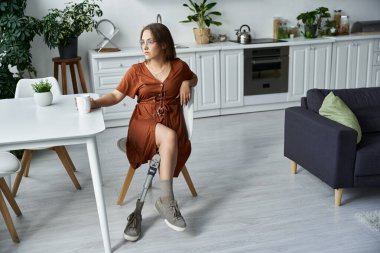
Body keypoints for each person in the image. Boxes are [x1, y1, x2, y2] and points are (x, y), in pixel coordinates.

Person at [90, 23, 198, 241]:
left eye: (150, 41)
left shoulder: (179, 67)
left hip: (172, 122)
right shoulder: (136, 71)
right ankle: (167, 200)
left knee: (170, 136)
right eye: (142, 42)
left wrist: (187, 82)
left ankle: (163, 199)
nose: (144, 46)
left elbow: (193, 77)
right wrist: (95, 103)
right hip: (143, 122)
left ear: (164, 44)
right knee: (169, 137)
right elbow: (116, 96)